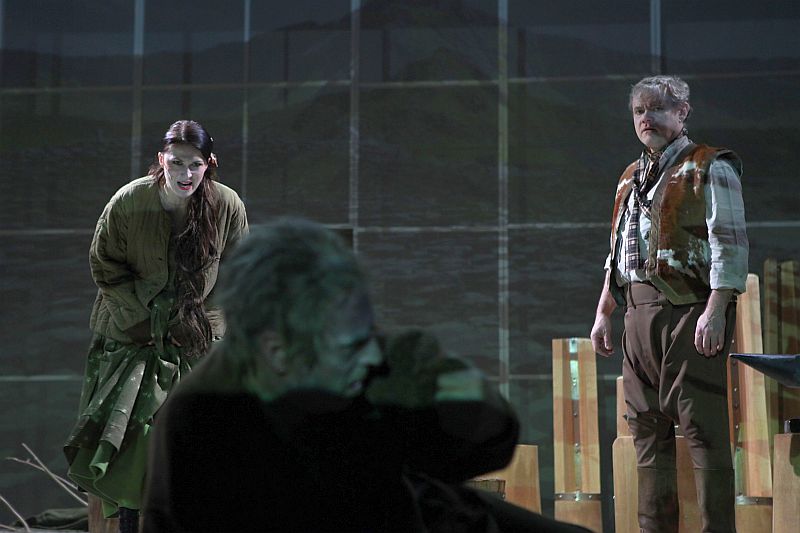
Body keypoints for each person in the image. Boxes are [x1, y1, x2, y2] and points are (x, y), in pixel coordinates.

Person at [143, 218, 591, 533]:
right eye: (353, 345)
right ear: (277, 351)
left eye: (370, 332)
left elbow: (493, 441)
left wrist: (433, 385)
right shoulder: (200, 424)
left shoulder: (369, 363)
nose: (372, 353)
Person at [63, 120, 249, 532]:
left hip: (194, 340)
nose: (185, 174)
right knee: (129, 444)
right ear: (161, 160)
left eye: (195, 164)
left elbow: (237, 275)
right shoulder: (130, 200)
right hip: (129, 335)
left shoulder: (227, 205)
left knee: (196, 445)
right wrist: (141, 321)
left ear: (209, 164)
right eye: (177, 162)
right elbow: (105, 265)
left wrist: (201, 327)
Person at [590, 76, 748, 533]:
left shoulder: (709, 166)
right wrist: (604, 312)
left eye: (657, 109)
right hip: (637, 313)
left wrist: (716, 309)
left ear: (682, 113)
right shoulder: (630, 176)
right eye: (639, 111)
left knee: (701, 425)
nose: (647, 118)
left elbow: (729, 243)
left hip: (689, 310)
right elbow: (618, 253)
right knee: (645, 428)